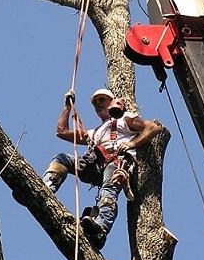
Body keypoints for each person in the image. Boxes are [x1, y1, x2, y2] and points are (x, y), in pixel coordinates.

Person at [42, 88, 161, 250]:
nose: (98, 104)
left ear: (111, 102)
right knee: (62, 159)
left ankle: (100, 228)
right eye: (95, 102)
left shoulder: (124, 119)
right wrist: (67, 107)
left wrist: (131, 144)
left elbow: (153, 128)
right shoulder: (95, 132)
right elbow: (61, 132)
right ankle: (47, 186)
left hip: (117, 163)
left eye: (102, 100)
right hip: (95, 166)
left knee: (107, 193)